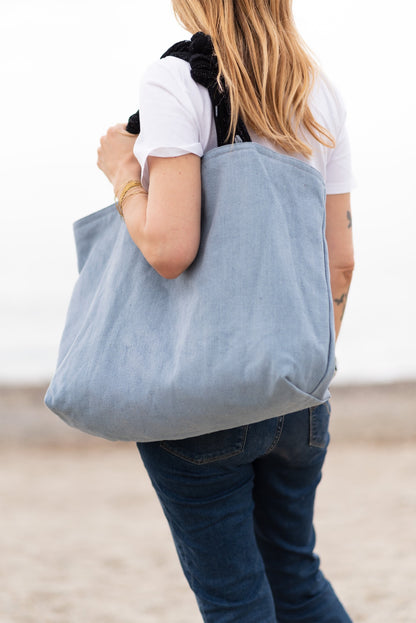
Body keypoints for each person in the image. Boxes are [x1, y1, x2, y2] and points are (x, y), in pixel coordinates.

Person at [97, 1, 355, 621]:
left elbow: (168, 248)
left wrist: (123, 178)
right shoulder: (317, 91)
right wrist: (306, 373)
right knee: (296, 576)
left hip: (204, 403)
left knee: (235, 598)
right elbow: (340, 259)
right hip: (300, 395)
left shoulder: (177, 80)